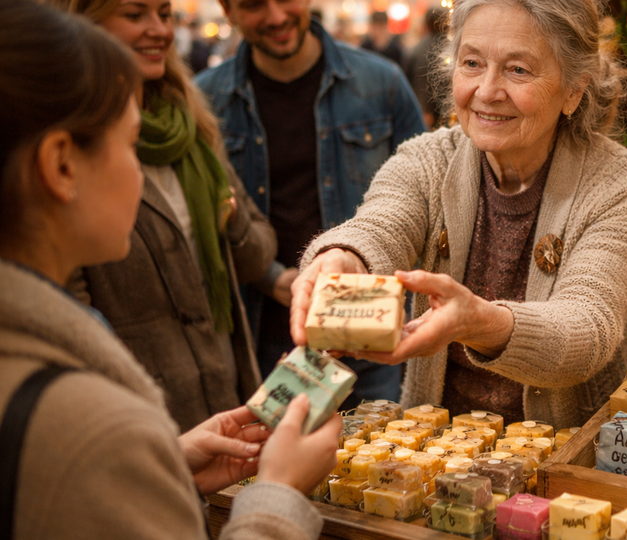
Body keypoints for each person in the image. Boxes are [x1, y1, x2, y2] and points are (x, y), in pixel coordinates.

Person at [0, 3, 339, 538]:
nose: (143, 175)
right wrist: (279, 494)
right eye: (128, 145)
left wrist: (164, 463)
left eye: (164, 12)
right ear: (62, 164)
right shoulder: (82, 415)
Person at [290, 0, 627, 428]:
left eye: (518, 69)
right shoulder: (426, 160)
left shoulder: (621, 183)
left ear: (573, 91)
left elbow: (588, 331)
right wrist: (345, 258)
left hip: (577, 448)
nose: (486, 91)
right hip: (433, 448)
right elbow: (380, 225)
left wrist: (480, 322)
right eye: (472, 63)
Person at [52, 0, 278, 432]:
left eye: (164, 13)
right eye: (134, 15)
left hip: (227, 392)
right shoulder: (73, 152)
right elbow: (76, 322)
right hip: (147, 416)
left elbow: (258, 251)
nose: (159, 30)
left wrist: (228, 218)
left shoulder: (189, 129)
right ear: (82, 26)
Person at [197, 0, 426, 405]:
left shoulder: (381, 83)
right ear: (228, 12)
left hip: (369, 330)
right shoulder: (206, 100)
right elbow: (205, 219)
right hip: (265, 335)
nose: (276, 17)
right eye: (253, 5)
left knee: (382, 444)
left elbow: (425, 196)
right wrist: (272, 277)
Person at [402, 6, 449, 128]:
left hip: (422, 110)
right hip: (448, 109)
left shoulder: (416, 50)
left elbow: (408, 81)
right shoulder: (453, 48)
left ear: (426, 24)